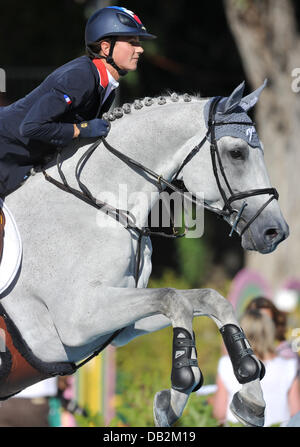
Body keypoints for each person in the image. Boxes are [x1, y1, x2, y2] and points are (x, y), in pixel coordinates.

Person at [0, 6, 156, 199]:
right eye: (132, 42)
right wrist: (79, 129)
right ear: (106, 47)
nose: (140, 49)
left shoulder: (106, 86)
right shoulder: (80, 77)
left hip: (20, 161)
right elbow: (31, 127)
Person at [212, 309, 300, 426]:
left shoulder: (225, 364)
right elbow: (296, 413)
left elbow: (219, 413)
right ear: (270, 332)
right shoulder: (289, 366)